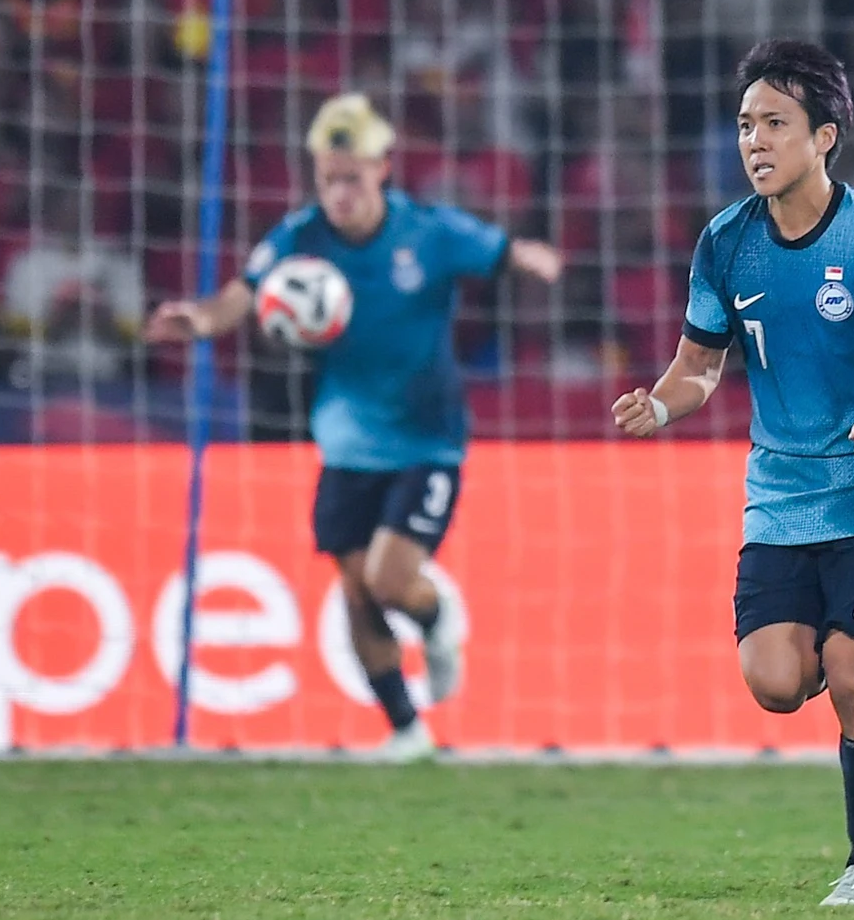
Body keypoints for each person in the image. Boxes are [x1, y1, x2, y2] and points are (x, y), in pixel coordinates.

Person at [611, 42, 854, 906]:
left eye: (774, 124)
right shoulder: (727, 244)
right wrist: (660, 405)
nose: (754, 142)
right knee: (773, 684)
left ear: (824, 137)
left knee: (848, 679)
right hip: (780, 496)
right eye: (744, 125)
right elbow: (699, 365)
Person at [147, 94, 563, 760]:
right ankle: (406, 728)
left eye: (352, 177)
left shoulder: (428, 233)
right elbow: (242, 294)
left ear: (381, 169)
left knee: (388, 580)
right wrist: (199, 321)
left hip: (428, 437)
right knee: (353, 586)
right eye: (327, 179)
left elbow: (500, 249)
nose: (339, 192)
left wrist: (530, 258)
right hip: (345, 440)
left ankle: (434, 617)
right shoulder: (297, 239)